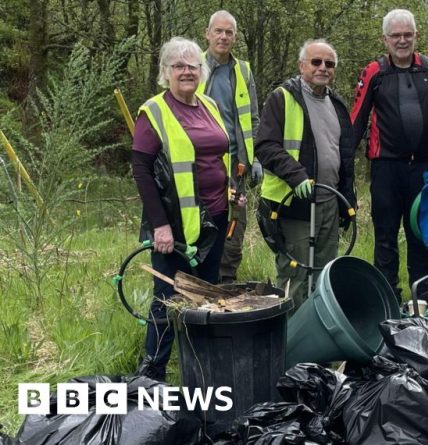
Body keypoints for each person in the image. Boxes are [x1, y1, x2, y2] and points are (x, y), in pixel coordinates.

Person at [132, 37, 244, 380]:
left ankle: (201, 371)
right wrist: (159, 226)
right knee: (167, 301)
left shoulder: (208, 105)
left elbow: (219, 155)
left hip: (213, 220)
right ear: (166, 72)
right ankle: (153, 376)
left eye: (192, 66)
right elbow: (141, 171)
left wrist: (231, 191)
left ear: (202, 71)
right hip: (174, 225)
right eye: (178, 66)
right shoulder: (154, 111)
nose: (186, 71)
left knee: (205, 297)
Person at [351, 8, 428, 301]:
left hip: (425, 168)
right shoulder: (375, 71)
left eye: (408, 34)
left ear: (416, 36)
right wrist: (344, 168)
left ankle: (421, 297)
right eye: (396, 35)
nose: (402, 40)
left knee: (420, 236)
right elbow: (356, 120)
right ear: (385, 39)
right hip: (386, 168)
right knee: (385, 237)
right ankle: (387, 300)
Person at [255, 39, 356, 310]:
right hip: (294, 205)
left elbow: (344, 156)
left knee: (325, 274)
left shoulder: (336, 104)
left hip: (329, 203)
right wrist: (296, 175)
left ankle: (319, 337)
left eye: (329, 63)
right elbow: (265, 146)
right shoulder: (282, 98)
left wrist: (348, 199)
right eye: (316, 62)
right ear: (302, 65)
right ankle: (292, 341)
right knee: (296, 273)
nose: (323, 68)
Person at [200, 10, 261, 284]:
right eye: (218, 31)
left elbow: (254, 119)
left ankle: (225, 283)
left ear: (235, 37)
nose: (223, 37)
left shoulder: (243, 71)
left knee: (234, 226)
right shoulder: (193, 66)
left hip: (235, 164)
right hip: (201, 164)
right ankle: (200, 280)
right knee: (201, 222)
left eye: (229, 32)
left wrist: (256, 158)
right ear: (207, 33)